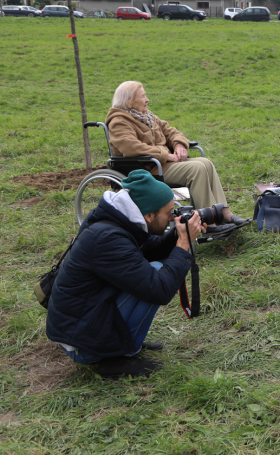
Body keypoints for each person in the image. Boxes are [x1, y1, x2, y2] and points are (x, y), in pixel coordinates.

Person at [46, 170, 204, 378]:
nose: (171, 218)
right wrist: (183, 244)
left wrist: (177, 234)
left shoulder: (117, 218)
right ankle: (111, 358)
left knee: (160, 266)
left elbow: (146, 251)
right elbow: (160, 290)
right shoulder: (107, 238)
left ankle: (122, 341)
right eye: (167, 213)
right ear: (148, 215)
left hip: (85, 319)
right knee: (157, 273)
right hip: (82, 344)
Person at [105, 81, 248, 232]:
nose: (147, 99)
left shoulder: (147, 116)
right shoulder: (119, 121)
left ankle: (224, 213)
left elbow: (171, 131)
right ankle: (209, 224)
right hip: (146, 168)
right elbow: (131, 148)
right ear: (128, 101)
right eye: (142, 96)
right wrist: (165, 155)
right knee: (197, 169)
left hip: (161, 164)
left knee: (206, 163)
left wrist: (179, 144)